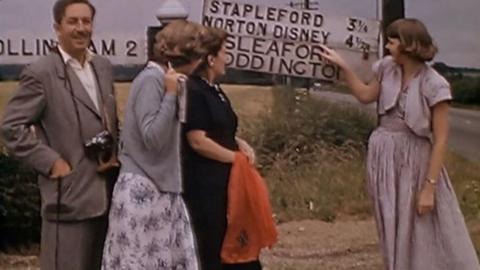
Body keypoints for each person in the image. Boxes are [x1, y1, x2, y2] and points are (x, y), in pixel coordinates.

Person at [319, 18, 480, 270]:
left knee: (424, 226)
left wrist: (429, 187)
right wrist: (343, 67)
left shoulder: (433, 84)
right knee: (392, 223)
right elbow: (364, 95)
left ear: (408, 45)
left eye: (392, 42)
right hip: (384, 159)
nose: (387, 47)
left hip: (415, 162)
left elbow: (441, 139)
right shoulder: (386, 69)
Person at [0, 0, 119, 269]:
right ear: (57, 27)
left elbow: (109, 120)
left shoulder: (102, 67)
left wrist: (111, 154)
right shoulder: (41, 73)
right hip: (67, 199)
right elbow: (11, 127)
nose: (80, 28)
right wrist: (52, 163)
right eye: (72, 21)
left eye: (86, 21)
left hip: (104, 194)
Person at [101, 20, 206, 270]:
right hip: (142, 190)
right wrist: (170, 96)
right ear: (191, 57)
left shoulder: (170, 80)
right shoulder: (151, 81)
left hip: (163, 189)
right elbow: (153, 138)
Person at [182, 27, 261, 270]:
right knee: (215, 247)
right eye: (225, 52)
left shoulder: (215, 91)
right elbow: (197, 139)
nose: (228, 58)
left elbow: (223, 129)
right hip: (206, 186)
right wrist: (235, 158)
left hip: (227, 183)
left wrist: (240, 144)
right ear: (210, 58)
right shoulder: (194, 90)